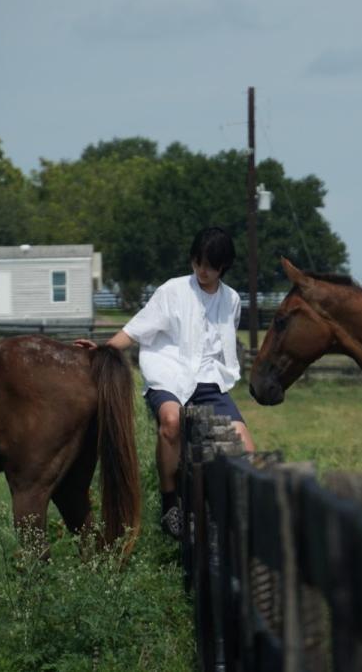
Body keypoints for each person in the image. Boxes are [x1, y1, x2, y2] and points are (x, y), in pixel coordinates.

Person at [76, 226, 255, 540]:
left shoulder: (231, 300)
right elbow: (137, 329)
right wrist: (104, 349)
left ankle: (236, 517)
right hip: (169, 373)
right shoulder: (173, 290)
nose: (202, 271)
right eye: (197, 262)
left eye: (210, 266)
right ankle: (170, 502)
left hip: (208, 380)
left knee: (245, 446)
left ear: (223, 267)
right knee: (171, 421)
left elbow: (221, 342)